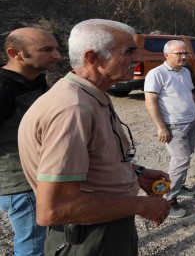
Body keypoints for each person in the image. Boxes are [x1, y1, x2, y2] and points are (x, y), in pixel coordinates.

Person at [18, 19, 171, 256]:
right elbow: (54, 209)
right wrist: (141, 205)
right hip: (88, 237)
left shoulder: (89, 94)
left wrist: (135, 172)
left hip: (104, 226)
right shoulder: (72, 108)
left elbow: (92, 158)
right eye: (128, 51)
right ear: (94, 58)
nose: (138, 58)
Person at [1, 27, 60, 256]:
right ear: (16, 53)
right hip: (20, 183)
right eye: (47, 50)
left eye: (56, 48)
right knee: (33, 247)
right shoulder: (3, 88)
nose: (57, 55)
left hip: (41, 175)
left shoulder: (35, 80)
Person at [144, 40, 195, 218]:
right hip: (173, 124)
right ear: (166, 55)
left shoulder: (185, 71)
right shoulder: (157, 74)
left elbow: (190, 95)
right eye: (179, 54)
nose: (184, 57)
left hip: (190, 121)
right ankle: (168, 199)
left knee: (185, 156)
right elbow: (150, 100)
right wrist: (161, 127)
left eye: (185, 53)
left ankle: (179, 185)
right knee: (181, 159)